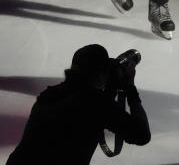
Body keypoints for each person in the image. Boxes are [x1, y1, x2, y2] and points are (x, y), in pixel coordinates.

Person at [6, 44, 151, 164]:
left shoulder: (49, 95)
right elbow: (142, 135)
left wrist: (110, 87)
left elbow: (90, 114)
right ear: (101, 75)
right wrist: (131, 90)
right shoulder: (94, 103)